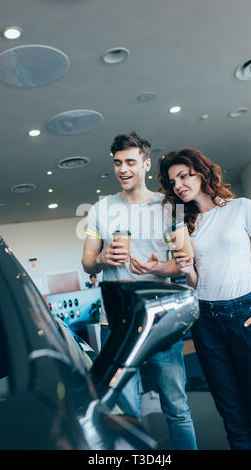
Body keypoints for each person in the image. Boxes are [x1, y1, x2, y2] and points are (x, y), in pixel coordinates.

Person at [158, 147, 251, 450]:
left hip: (247, 315)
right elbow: (198, 281)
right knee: (233, 419)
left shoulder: (242, 207)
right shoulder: (184, 224)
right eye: (173, 182)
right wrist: (186, 270)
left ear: (200, 172)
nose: (179, 185)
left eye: (183, 176)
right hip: (207, 323)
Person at [82, 132, 197, 450]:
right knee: (123, 413)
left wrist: (158, 268)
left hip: (161, 318)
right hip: (116, 323)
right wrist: (101, 258)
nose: (123, 169)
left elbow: (184, 263)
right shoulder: (100, 210)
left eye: (131, 162)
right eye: (118, 162)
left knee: (176, 408)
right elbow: (87, 262)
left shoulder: (170, 207)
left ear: (146, 164)